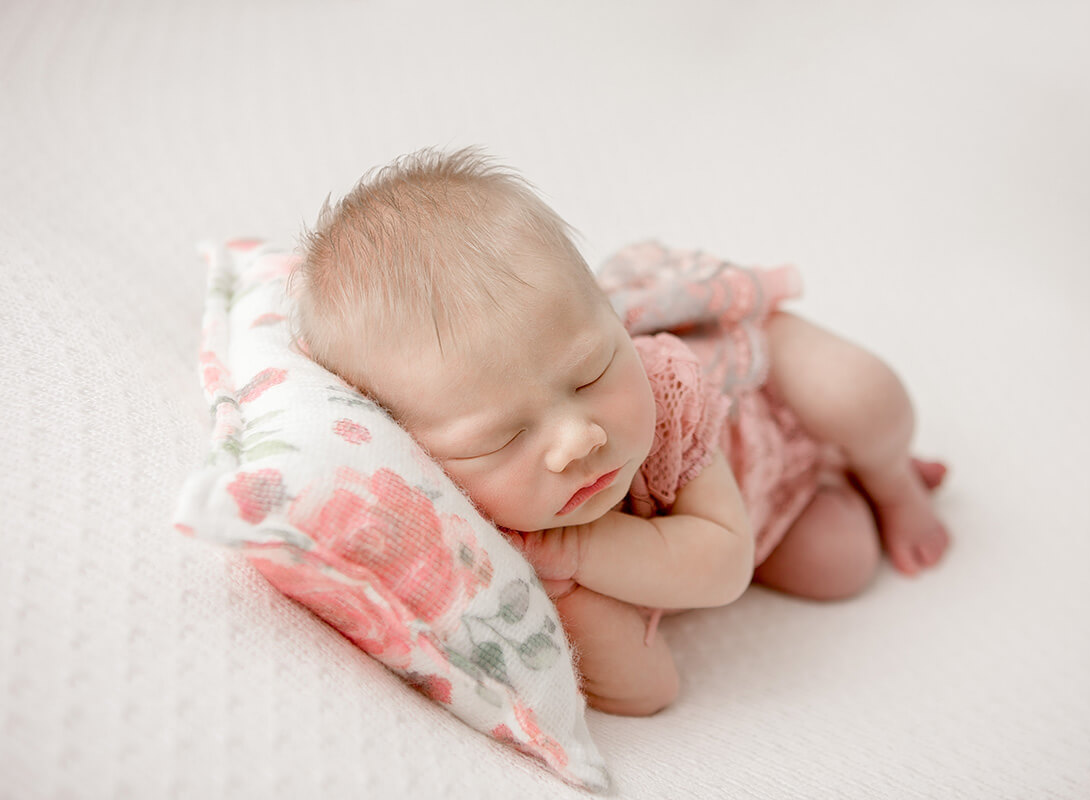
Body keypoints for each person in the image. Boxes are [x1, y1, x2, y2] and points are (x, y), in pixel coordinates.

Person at [291, 147, 951, 717]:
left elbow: (723, 565)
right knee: (841, 564)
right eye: (504, 436)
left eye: (590, 373)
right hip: (766, 503)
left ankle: (890, 475)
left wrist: (582, 550)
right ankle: (836, 471)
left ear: (610, 321)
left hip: (756, 402)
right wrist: (566, 589)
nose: (579, 438)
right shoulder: (500, 544)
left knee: (858, 393)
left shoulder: (664, 389)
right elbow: (651, 691)